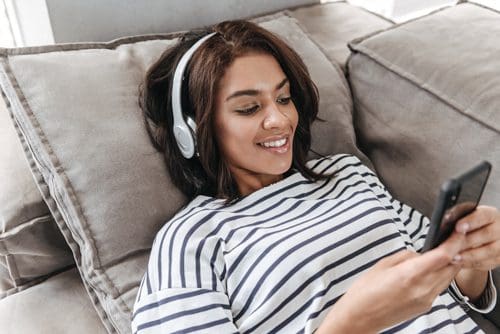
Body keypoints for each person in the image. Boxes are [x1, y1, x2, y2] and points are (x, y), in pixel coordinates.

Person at [131, 20, 500, 333]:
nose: (279, 120)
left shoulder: (348, 172)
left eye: (284, 98)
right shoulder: (189, 240)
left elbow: (449, 289)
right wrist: (349, 325)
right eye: (248, 108)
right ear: (192, 132)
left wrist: (472, 262)